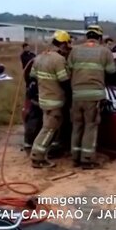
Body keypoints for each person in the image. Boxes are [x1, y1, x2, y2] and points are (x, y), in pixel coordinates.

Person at [68, 25, 116, 169]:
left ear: (86, 36)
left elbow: (68, 69)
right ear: (100, 38)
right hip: (94, 95)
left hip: (77, 94)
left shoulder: (75, 50)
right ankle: (87, 159)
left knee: (77, 125)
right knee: (90, 126)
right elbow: (111, 70)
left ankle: (75, 157)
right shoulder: (104, 51)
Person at [29, 30, 72, 168]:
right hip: (55, 101)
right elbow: (64, 81)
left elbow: (32, 77)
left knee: (46, 126)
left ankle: (39, 154)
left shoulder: (40, 57)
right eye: (67, 44)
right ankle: (37, 156)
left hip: (43, 99)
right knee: (49, 129)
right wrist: (71, 96)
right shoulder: (58, 60)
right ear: (64, 43)